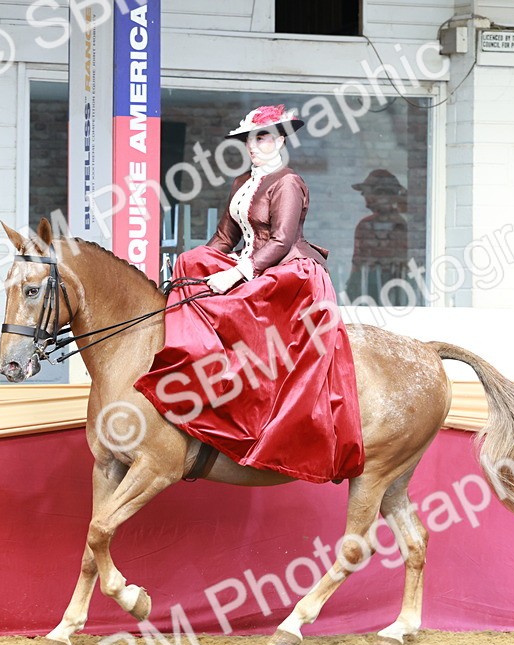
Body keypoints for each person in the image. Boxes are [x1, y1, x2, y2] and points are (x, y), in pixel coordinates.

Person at [134, 105, 364, 483]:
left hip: (288, 272)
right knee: (190, 261)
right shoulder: (242, 181)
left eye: (263, 138)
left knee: (238, 304)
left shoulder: (288, 182)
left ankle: (242, 398)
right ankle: (194, 368)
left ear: (281, 140)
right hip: (249, 262)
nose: (254, 146)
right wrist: (193, 275)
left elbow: (282, 240)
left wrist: (236, 273)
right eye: (249, 140)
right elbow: (224, 238)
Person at [346, 169, 411, 304]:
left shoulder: (401, 227)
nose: (366, 199)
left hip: (395, 289)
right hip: (367, 289)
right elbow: (357, 265)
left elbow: (405, 265)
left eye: (368, 194)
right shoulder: (365, 226)